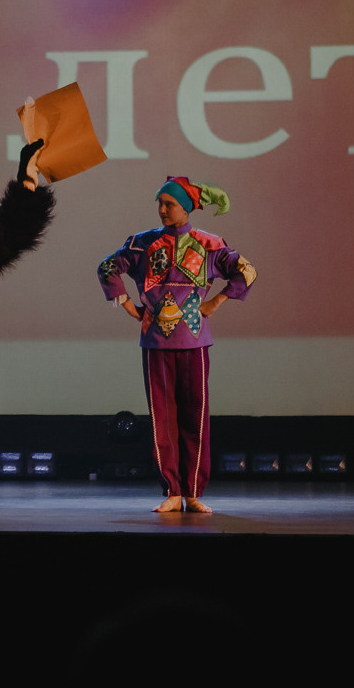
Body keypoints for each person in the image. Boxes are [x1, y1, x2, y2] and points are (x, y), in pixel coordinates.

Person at [98, 176, 255, 513]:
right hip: (156, 343)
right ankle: (171, 489)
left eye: (169, 204)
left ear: (186, 207)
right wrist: (128, 305)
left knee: (195, 416)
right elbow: (108, 267)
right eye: (160, 203)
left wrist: (215, 302)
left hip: (195, 342)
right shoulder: (143, 243)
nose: (162, 209)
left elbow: (246, 271)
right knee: (162, 419)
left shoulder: (209, 244)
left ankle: (194, 491)